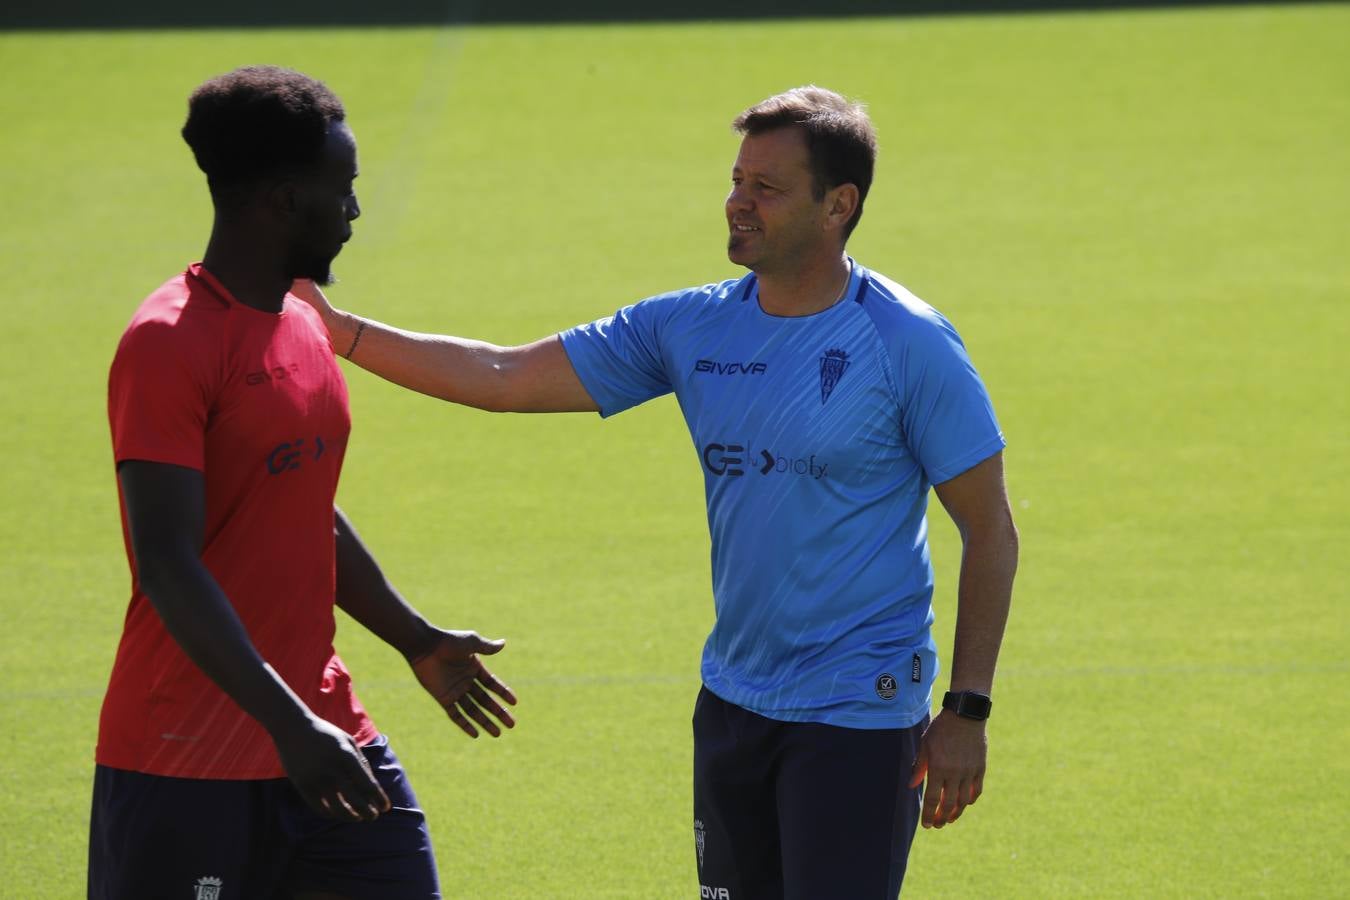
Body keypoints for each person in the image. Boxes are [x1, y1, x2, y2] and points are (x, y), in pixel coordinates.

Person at [296, 85, 1018, 898]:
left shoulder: (908, 343)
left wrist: (967, 708)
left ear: (838, 204)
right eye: (737, 180)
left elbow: (989, 530)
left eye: (766, 189)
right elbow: (502, 376)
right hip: (734, 702)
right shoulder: (690, 328)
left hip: (857, 713)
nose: (736, 204)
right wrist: (338, 331)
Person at [91, 66, 517, 900]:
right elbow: (168, 563)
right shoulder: (166, 343)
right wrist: (290, 726)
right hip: (188, 757)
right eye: (343, 188)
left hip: (324, 730)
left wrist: (415, 639)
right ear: (283, 201)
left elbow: (303, 505)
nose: (355, 211)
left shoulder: (300, 323)